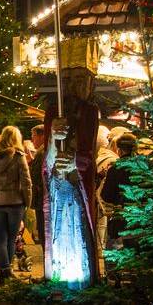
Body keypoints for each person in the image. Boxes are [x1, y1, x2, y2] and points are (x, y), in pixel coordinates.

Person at [43, 65, 101, 290]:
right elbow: (47, 159)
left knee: (78, 228)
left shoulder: (90, 111)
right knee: (59, 228)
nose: (76, 85)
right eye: (69, 80)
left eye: (82, 80)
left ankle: (80, 277)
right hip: (59, 184)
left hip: (76, 183)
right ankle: (60, 275)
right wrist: (53, 139)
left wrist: (75, 160)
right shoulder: (53, 111)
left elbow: (88, 150)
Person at [0, 126, 32, 286]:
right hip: (15, 202)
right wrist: (28, 201)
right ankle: (7, 271)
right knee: (12, 238)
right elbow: (26, 182)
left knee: (0, 238)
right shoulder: (18, 156)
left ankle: (4, 271)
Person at [100, 133, 138, 243]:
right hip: (146, 221)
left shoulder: (115, 169)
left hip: (123, 219)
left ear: (119, 150)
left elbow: (106, 196)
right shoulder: (145, 167)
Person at [30, 125, 46, 247]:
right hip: (43, 198)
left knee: (43, 231)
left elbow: (36, 177)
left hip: (42, 198)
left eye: (34, 136)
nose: (32, 139)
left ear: (42, 136)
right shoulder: (44, 151)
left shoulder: (41, 152)